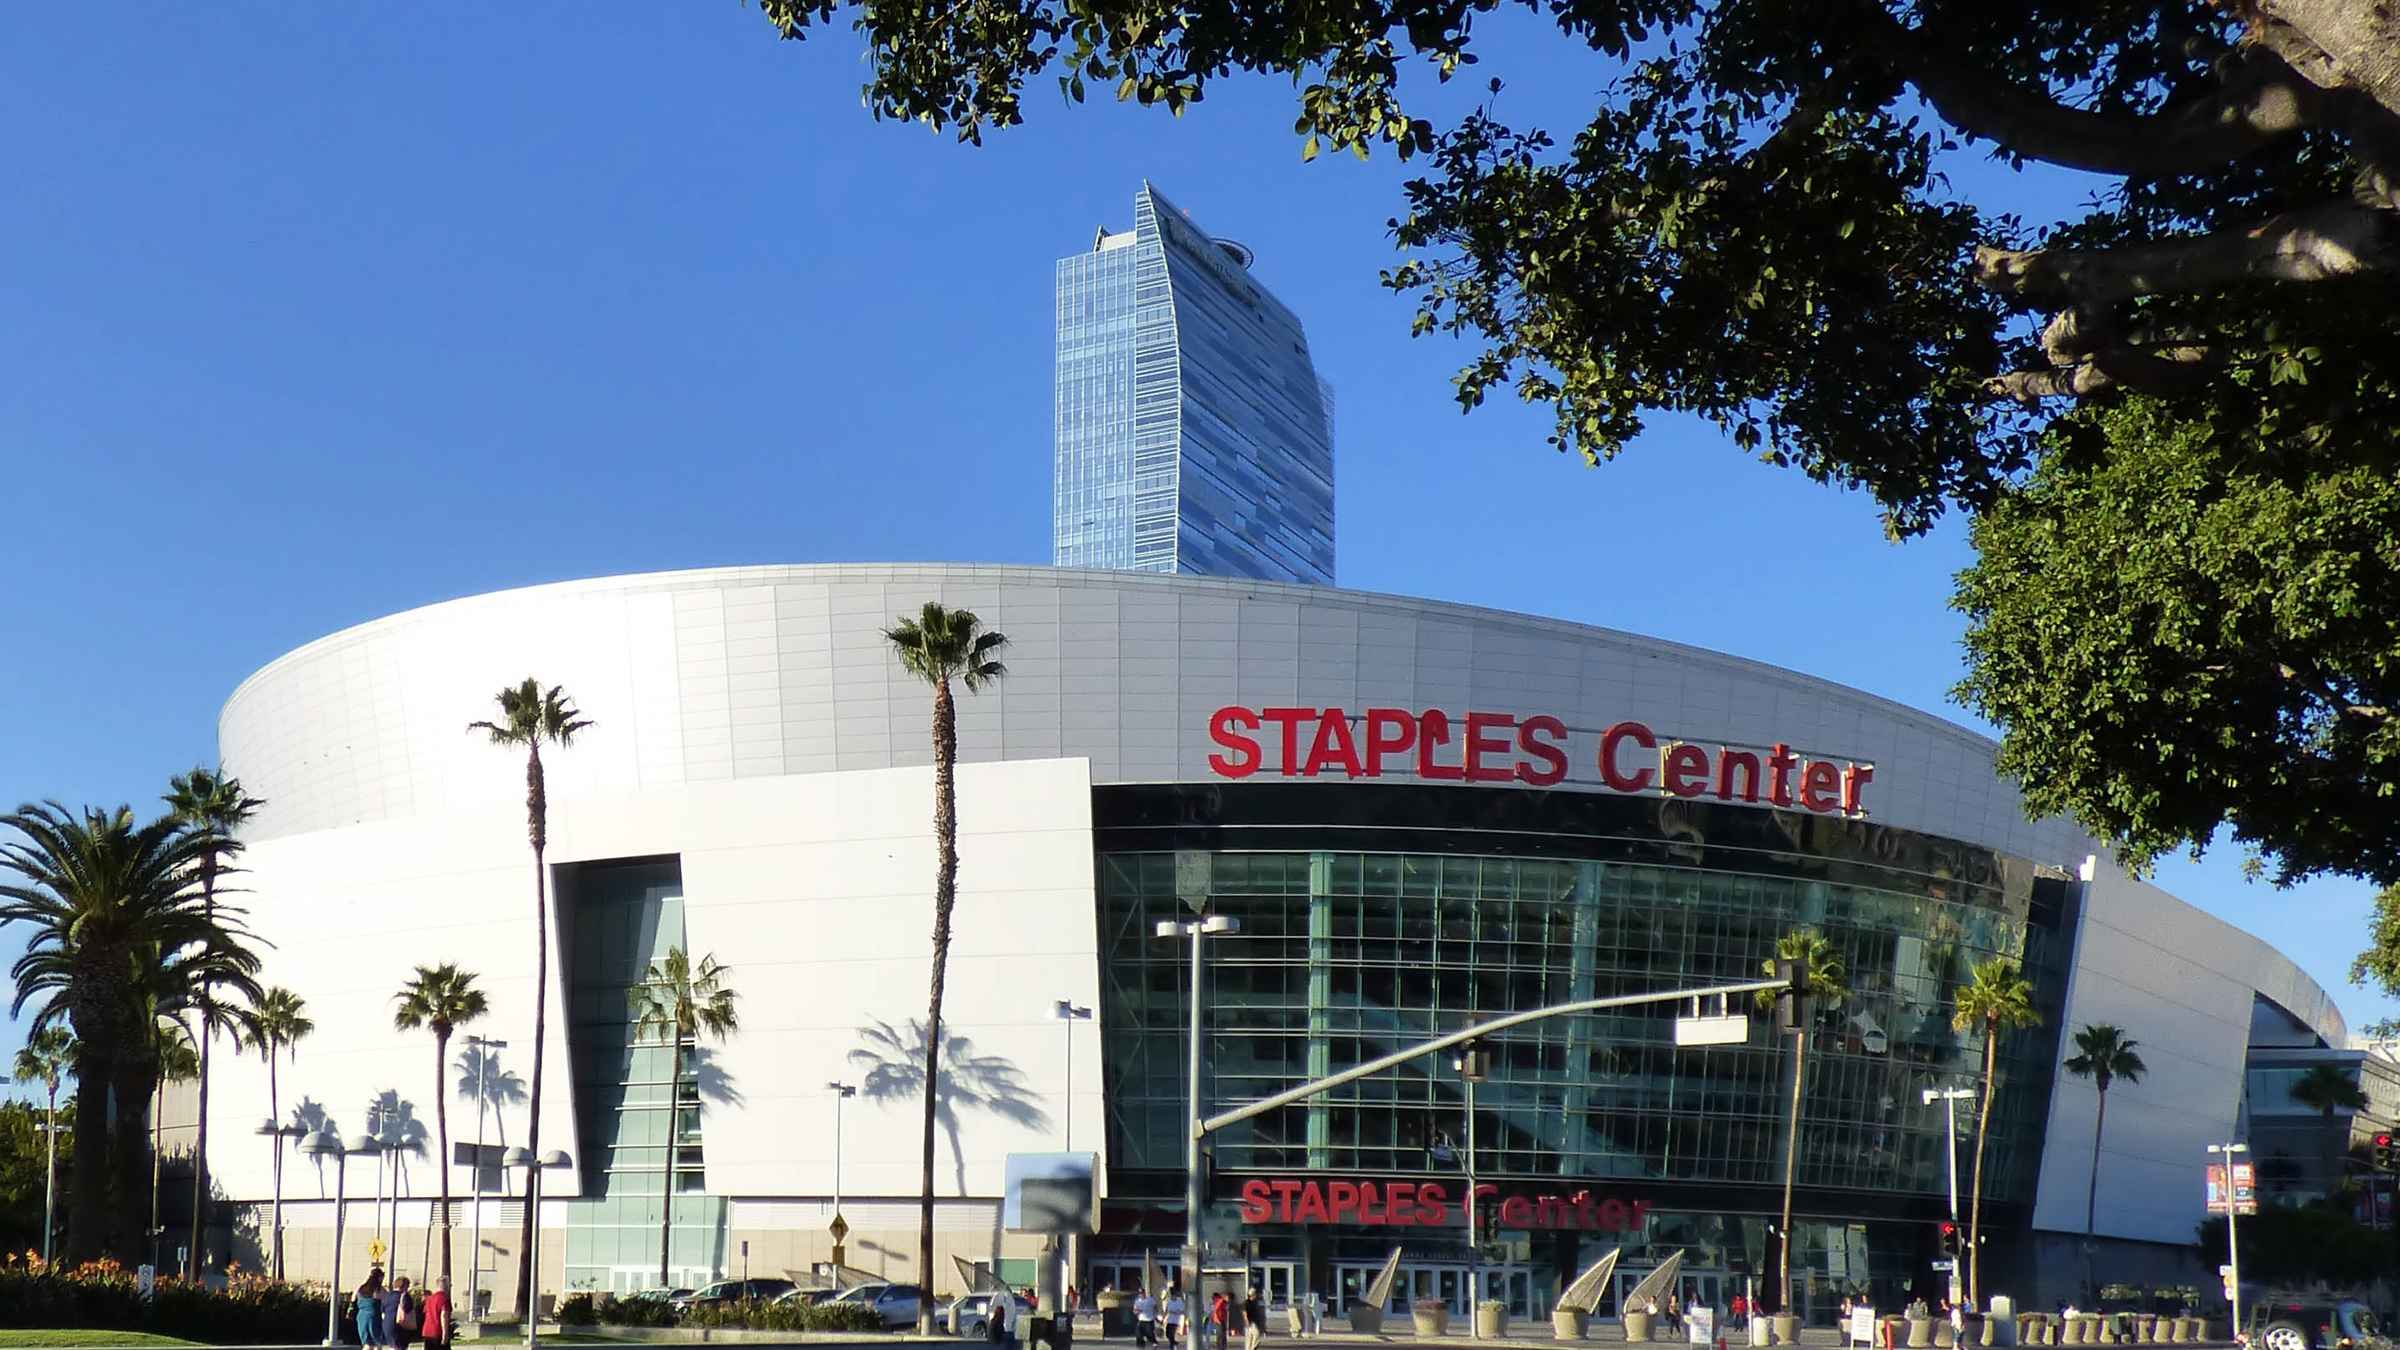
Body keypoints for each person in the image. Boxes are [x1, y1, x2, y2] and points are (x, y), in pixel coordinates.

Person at [355, 1269, 388, 1349]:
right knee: (377, 1342)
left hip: (361, 1316)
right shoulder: (379, 1290)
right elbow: (387, 1300)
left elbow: (353, 1298)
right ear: (380, 1277)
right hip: (374, 1316)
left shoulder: (361, 1288)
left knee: (366, 1343)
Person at [419, 1277, 453, 1350]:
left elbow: (426, 1314)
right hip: (438, 1332)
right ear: (445, 1285)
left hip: (427, 1332)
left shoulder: (429, 1299)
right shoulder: (445, 1299)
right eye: (449, 1284)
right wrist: (445, 1333)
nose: (450, 1286)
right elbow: (444, 1316)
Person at [389, 1275, 416, 1350]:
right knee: (402, 1347)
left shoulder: (388, 1296)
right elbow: (408, 1310)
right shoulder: (405, 1296)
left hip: (388, 1326)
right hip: (401, 1325)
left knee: (393, 1347)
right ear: (404, 1286)